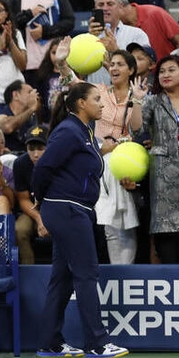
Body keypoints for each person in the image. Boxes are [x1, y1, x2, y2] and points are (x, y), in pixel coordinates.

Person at [32, 81, 129, 358]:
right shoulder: (69, 131)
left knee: (63, 278)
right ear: (81, 104)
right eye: (97, 99)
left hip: (74, 209)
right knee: (87, 273)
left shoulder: (83, 131)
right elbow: (45, 166)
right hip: (67, 209)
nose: (102, 103)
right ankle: (98, 343)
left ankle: (49, 342)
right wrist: (39, 195)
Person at [55, 37, 146, 264]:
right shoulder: (98, 91)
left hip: (124, 164)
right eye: (112, 64)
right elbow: (73, 85)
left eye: (120, 65)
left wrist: (137, 101)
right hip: (95, 161)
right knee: (100, 224)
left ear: (132, 70)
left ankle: (123, 272)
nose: (114, 68)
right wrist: (62, 63)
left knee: (121, 224)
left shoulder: (141, 94)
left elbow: (140, 131)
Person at [132, 56, 179, 263]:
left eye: (171, 70)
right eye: (161, 71)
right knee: (168, 233)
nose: (165, 75)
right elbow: (136, 130)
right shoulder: (153, 101)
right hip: (164, 175)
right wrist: (137, 100)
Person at [6, 0, 75, 86]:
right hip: (27, 61)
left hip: (53, 62)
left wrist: (44, 32)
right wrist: (29, 14)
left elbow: (69, 21)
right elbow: (10, 22)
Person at [86, 0, 150, 85]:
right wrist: (89, 39)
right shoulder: (87, 38)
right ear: (95, 8)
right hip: (95, 96)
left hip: (127, 94)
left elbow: (143, 67)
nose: (105, 8)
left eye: (110, 4)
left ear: (120, 6)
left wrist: (116, 51)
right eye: (101, 5)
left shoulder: (137, 34)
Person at [13, 125, 49, 264]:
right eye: (31, 149)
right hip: (32, 210)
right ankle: (28, 273)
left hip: (55, 208)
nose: (35, 154)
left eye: (41, 149)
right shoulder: (20, 164)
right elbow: (23, 199)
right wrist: (39, 219)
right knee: (20, 229)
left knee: (63, 226)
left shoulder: (59, 162)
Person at [0, 80, 40, 157]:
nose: (34, 95)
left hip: (22, 158)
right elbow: (7, 127)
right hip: (0, 158)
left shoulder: (31, 117)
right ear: (16, 95)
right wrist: (31, 109)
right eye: (30, 92)